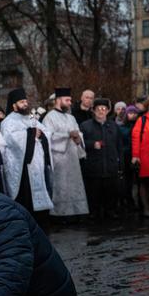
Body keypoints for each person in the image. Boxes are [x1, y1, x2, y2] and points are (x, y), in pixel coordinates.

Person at [0, 89, 53, 218]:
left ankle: (41, 217)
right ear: (14, 105)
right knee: (26, 197)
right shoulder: (8, 121)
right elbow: (12, 141)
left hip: (37, 164)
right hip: (23, 167)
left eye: (25, 101)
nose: (25, 104)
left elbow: (45, 131)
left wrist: (39, 134)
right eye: (22, 102)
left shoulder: (30, 117)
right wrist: (31, 133)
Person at [42, 88, 89, 219]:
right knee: (61, 187)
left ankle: (76, 213)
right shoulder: (49, 118)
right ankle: (60, 215)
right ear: (58, 100)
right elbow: (49, 138)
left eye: (70, 100)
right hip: (59, 160)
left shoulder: (71, 117)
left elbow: (78, 134)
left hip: (73, 158)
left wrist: (78, 138)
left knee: (74, 186)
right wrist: (67, 135)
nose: (70, 103)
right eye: (67, 100)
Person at [79, 99, 122, 220]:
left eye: (104, 109)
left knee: (110, 191)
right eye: (98, 109)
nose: (101, 111)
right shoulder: (85, 126)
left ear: (108, 111)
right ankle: (93, 212)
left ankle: (110, 211)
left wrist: (120, 164)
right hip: (93, 166)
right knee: (94, 191)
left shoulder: (113, 126)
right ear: (93, 110)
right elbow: (80, 144)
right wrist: (92, 144)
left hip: (110, 165)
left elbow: (119, 146)